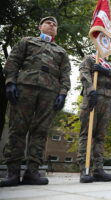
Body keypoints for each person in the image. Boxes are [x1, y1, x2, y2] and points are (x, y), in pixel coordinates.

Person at [1, 16, 71, 187]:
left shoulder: (61, 52)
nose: (52, 25)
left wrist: (62, 93)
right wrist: (10, 82)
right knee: (17, 128)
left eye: (55, 24)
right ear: (40, 26)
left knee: (40, 131)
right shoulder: (27, 41)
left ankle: (32, 171)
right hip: (25, 88)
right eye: (48, 23)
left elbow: (65, 75)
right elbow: (13, 61)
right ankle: (12, 172)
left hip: (49, 94)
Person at [77, 55, 111, 183]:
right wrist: (90, 90)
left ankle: (98, 169)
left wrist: (106, 71)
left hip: (107, 102)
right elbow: (84, 74)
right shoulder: (91, 58)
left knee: (100, 137)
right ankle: (84, 169)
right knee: (86, 134)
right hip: (92, 98)